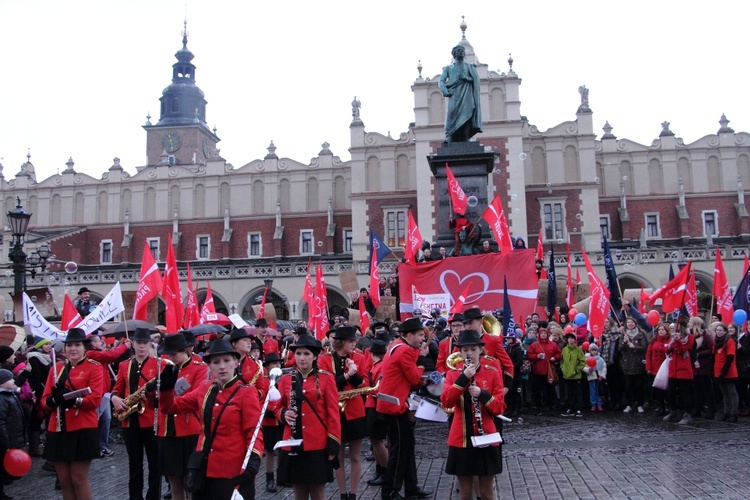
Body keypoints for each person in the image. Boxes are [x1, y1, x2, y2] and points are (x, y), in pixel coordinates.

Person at [159, 337, 263, 500]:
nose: (221, 366)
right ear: (210, 366)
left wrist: (253, 462)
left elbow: (253, 432)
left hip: (233, 471)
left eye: (226, 360)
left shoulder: (246, 392)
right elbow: (171, 407)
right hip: (204, 469)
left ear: (236, 362)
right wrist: (165, 390)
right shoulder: (205, 388)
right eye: (216, 362)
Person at [441, 329, 505, 500]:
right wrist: (462, 379)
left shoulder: (491, 371)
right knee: (465, 492)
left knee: (486, 493)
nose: (469, 353)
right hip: (461, 439)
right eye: (465, 350)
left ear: (481, 350)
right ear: (460, 352)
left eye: (473, 349)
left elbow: (500, 408)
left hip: (486, 437)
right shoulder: (453, 373)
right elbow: (446, 402)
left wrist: (483, 394)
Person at [42, 328, 104, 500]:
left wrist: (73, 400)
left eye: (77, 345)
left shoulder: (94, 368)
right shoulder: (57, 369)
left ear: (85, 347)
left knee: (78, 479)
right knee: (64, 480)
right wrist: (55, 400)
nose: (73, 349)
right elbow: (44, 400)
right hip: (58, 428)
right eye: (69, 345)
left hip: (82, 428)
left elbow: (94, 400)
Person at [276, 334, 340, 500]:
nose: (301, 358)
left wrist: (333, 443)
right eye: (298, 354)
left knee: (318, 493)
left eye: (306, 354)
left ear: (315, 356)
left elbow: (333, 413)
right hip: (293, 443)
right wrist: (283, 414)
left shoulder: (326, 378)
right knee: (299, 493)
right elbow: (277, 407)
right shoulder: (286, 379)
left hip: (317, 444)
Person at [376, 317, 431, 500]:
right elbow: (415, 378)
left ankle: (411, 488)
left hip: (391, 402)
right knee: (399, 450)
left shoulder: (397, 345)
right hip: (395, 405)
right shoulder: (405, 351)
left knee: (407, 446)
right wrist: (422, 359)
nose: (422, 339)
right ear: (409, 335)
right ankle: (390, 491)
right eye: (420, 335)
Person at [317, 325, 368, 499]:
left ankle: (353, 493)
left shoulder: (359, 358)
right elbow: (325, 385)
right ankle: (342, 493)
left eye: (354, 341)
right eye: (350, 341)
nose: (354, 344)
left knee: (355, 455)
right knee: (337, 455)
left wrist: (354, 374)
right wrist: (347, 375)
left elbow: (364, 385)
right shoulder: (324, 360)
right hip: (334, 412)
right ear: (341, 342)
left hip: (354, 411)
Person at [156, 332, 208, 500]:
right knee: (174, 481)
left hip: (189, 430)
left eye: (174, 353)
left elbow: (196, 395)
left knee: (190, 481)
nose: (171, 357)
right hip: (167, 431)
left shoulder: (199, 368)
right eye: (169, 354)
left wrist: (169, 394)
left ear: (185, 350)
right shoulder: (165, 369)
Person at [111, 328, 160, 500]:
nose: (141, 346)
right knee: (134, 465)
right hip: (130, 421)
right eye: (139, 343)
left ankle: (153, 497)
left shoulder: (159, 364)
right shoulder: (124, 365)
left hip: (152, 421)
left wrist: (154, 394)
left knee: (155, 465)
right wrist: (114, 398)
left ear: (149, 344)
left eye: (145, 343)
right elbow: (116, 389)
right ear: (133, 344)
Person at [84, 333, 131, 458]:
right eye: (99, 341)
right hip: (97, 394)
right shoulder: (91, 354)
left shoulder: (97, 354)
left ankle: (102, 446)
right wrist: (124, 346)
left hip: (104, 393)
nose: (102, 343)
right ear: (93, 343)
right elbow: (111, 355)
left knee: (106, 420)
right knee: (97, 421)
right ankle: (95, 447)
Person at [438, 44, 482, 143]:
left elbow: (476, 81)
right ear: (453, 54)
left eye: (462, 50)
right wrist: (444, 89)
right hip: (454, 94)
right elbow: (441, 81)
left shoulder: (470, 67)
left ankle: (466, 137)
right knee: (451, 114)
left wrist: (467, 78)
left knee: (468, 114)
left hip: (467, 95)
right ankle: (449, 136)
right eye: (458, 50)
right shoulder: (448, 68)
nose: (461, 52)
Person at [364, 335, 389, 487]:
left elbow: (379, 389)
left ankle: (386, 471)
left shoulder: (380, 366)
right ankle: (380, 470)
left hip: (376, 404)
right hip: (372, 404)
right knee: (374, 441)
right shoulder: (377, 365)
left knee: (377, 441)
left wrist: (367, 390)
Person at [0, 368, 27, 500]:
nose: (13, 380)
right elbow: (1, 423)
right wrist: (5, 442)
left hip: (13, 437)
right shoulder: (2, 399)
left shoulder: (10, 395)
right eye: (9, 379)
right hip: (6, 440)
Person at [664, 317, 695, 424]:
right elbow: (668, 351)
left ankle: (688, 414)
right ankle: (673, 410)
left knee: (685, 393)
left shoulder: (690, 337)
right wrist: (672, 343)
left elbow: (683, 350)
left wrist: (677, 341)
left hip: (684, 369)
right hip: (673, 369)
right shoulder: (673, 337)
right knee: (670, 392)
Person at [26, 337, 54, 457]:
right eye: (46, 344)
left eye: (49, 344)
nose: (49, 346)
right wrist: (41, 393)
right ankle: (35, 447)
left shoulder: (47, 358)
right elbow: (36, 379)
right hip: (39, 393)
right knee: (36, 419)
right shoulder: (34, 358)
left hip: (46, 391)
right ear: (40, 346)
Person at [261, 353, 283, 493]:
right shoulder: (263, 381)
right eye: (273, 364)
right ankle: (270, 479)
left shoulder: (284, 380)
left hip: (280, 419)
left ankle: (281, 476)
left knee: (282, 449)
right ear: (268, 367)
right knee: (270, 451)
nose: (276, 366)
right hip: (268, 421)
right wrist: (267, 411)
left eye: (278, 363)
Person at [526, 327, 560, 415]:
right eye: (542, 333)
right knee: (537, 390)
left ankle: (552, 406)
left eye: (545, 333)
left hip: (549, 372)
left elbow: (558, 353)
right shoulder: (534, 345)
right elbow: (529, 355)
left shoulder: (553, 344)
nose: (543, 335)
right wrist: (537, 356)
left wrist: (554, 358)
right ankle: (537, 406)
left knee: (550, 389)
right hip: (538, 371)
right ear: (539, 335)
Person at [229, 328, 269, 402]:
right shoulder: (225, 363)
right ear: (234, 344)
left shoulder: (255, 365)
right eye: (245, 340)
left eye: (249, 341)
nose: (249, 343)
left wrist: (253, 394)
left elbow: (262, 390)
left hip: (248, 403)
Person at [619, 317, 648, 414]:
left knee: (639, 385)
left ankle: (639, 404)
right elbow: (620, 349)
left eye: (632, 322)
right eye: (628, 322)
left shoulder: (641, 334)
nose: (630, 324)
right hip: (627, 364)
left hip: (638, 363)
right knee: (628, 386)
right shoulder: (623, 334)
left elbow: (644, 347)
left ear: (635, 323)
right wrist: (624, 342)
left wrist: (634, 347)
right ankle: (629, 404)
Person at [713, 323, 739, 422]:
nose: (718, 332)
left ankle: (734, 413)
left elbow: (730, 356)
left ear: (725, 332)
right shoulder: (716, 342)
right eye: (717, 330)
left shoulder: (729, 341)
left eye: (721, 330)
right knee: (724, 393)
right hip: (718, 370)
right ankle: (726, 412)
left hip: (728, 371)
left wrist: (724, 371)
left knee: (732, 392)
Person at [646, 323, 670, 415]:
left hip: (665, 368)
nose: (661, 331)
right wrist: (648, 367)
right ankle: (660, 406)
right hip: (655, 368)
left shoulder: (669, 340)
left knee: (666, 389)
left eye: (663, 330)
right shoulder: (653, 341)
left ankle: (667, 405)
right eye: (659, 330)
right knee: (657, 389)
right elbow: (648, 354)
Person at [560, 333, 585, 417]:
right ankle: (570, 408)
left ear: (575, 340)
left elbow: (582, 362)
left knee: (577, 393)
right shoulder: (564, 350)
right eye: (569, 338)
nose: (570, 340)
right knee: (569, 393)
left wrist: (576, 370)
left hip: (576, 376)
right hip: (567, 376)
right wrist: (563, 368)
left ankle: (578, 409)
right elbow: (562, 361)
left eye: (572, 338)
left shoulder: (578, 350)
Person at [584, 344, 607, 412]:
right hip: (592, 377)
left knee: (599, 391)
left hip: (599, 377)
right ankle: (593, 404)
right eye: (592, 350)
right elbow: (584, 367)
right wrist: (588, 370)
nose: (594, 352)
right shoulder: (587, 359)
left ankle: (599, 403)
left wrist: (602, 376)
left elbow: (604, 368)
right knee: (592, 391)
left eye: (595, 350)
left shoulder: (600, 359)